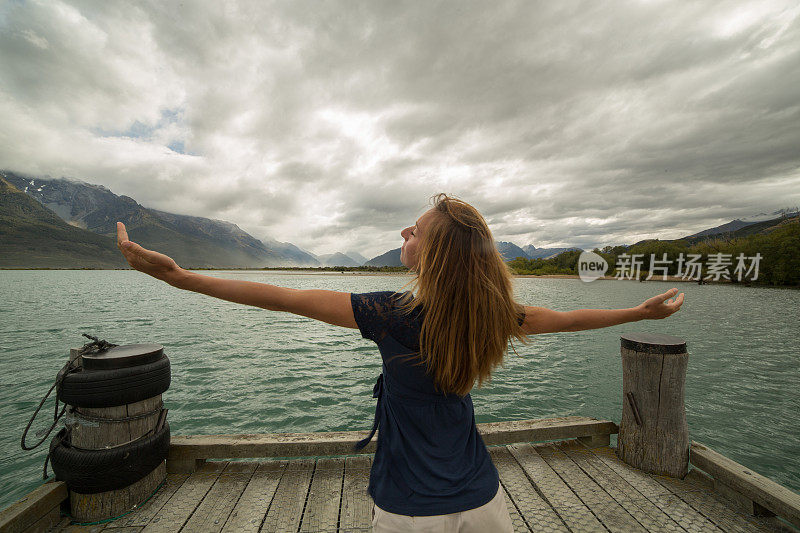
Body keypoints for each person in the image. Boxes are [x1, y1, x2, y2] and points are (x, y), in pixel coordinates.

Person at [115, 193, 685, 532]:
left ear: (432, 252)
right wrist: (640, 311)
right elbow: (570, 320)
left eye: (415, 230)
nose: (405, 232)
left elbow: (281, 297)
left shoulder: (392, 314)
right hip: (482, 496)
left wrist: (179, 277)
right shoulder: (494, 314)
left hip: (412, 503)